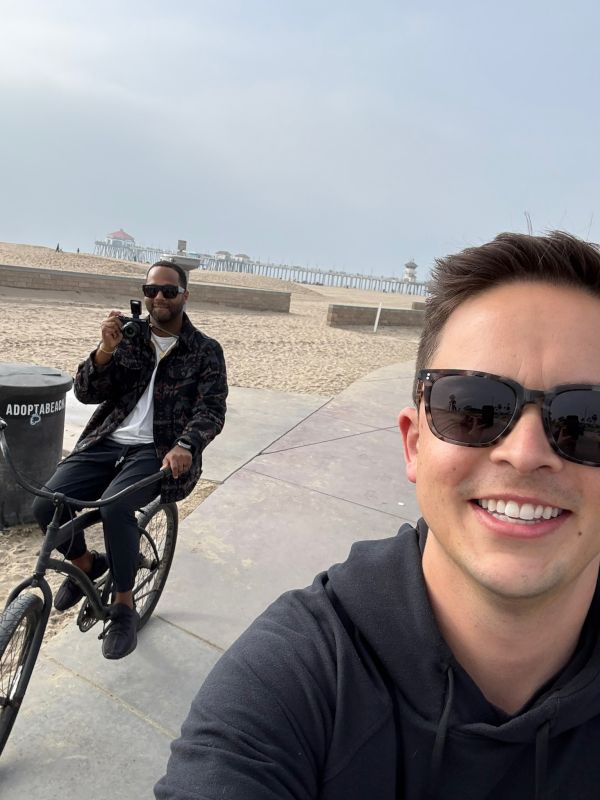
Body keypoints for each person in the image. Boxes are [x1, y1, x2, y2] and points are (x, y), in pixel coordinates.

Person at [155, 231, 600, 798]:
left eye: (588, 420)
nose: (526, 452)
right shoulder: (295, 677)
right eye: (473, 408)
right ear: (414, 445)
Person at [33, 260, 227, 660]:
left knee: (116, 506)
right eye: (151, 290)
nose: (159, 297)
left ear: (185, 296)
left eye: (169, 291)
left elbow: (211, 409)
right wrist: (105, 350)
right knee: (45, 504)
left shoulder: (206, 350)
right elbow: (87, 393)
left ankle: (124, 606)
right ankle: (86, 564)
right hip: (107, 439)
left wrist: (186, 444)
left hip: (158, 450)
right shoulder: (130, 338)